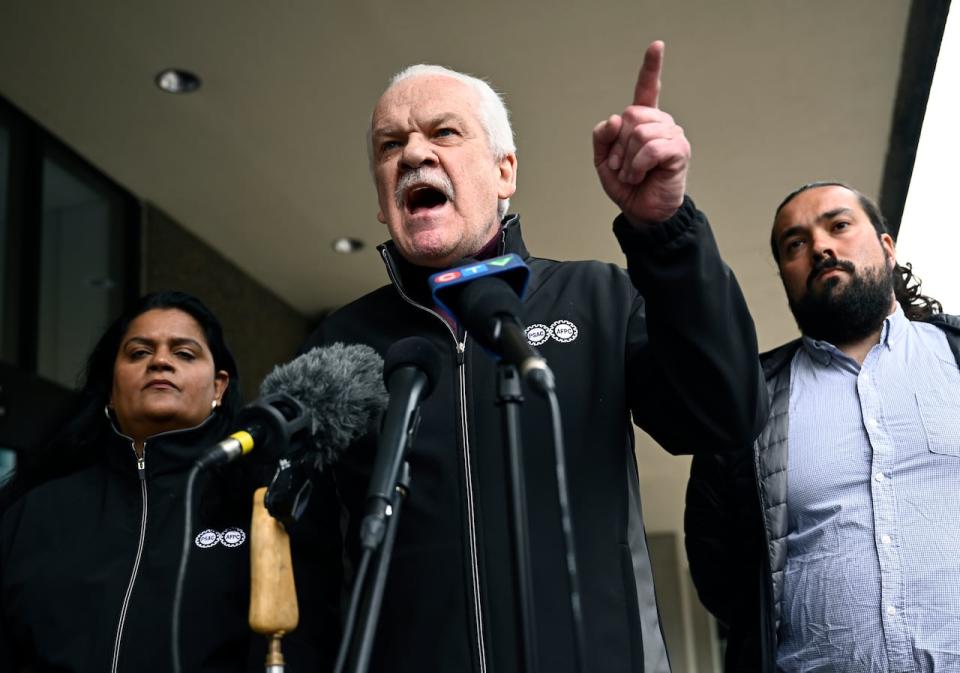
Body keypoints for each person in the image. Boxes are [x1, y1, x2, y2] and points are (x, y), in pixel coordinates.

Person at [302, 41, 765, 673]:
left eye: (443, 132)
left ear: (504, 172)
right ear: (382, 202)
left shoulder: (597, 298)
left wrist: (667, 232)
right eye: (390, 145)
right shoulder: (339, 344)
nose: (413, 154)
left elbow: (724, 414)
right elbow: (310, 564)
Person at [684, 182, 960, 673]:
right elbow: (718, 568)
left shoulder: (954, 358)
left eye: (838, 226)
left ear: (887, 247)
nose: (820, 247)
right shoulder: (750, 401)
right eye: (796, 244)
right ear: (784, 276)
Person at [0, 291, 267, 672]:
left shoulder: (260, 502)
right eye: (139, 352)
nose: (160, 361)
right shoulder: (32, 511)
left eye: (184, 353)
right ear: (110, 386)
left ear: (219, 387)